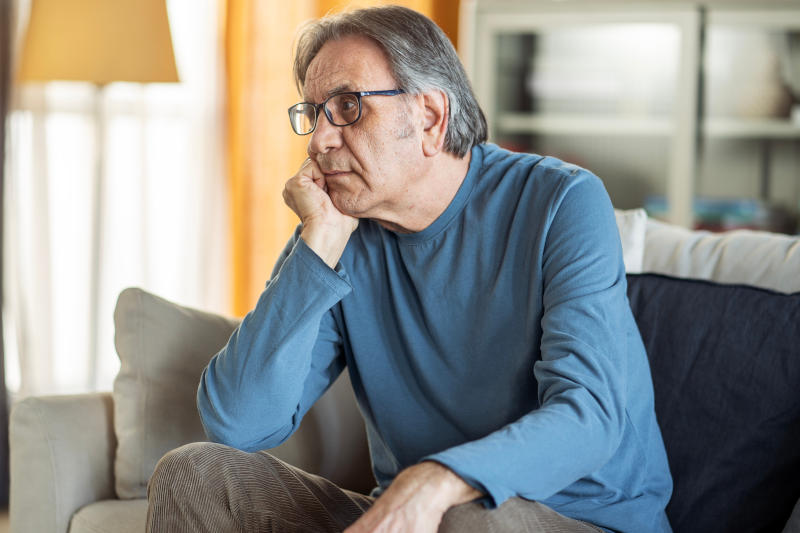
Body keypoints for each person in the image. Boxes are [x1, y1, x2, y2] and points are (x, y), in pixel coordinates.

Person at [146, 5, 673, 533]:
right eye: (314, 113)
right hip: (418, 520)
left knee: (467, 518)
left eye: (348, 106)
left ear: (430, 118)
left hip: (578, 520)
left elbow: (590, 416)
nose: (318, 141)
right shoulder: (339, 228)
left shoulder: (561, 201)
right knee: (194, 474)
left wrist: (437, 481)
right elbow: (238, 424)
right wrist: (317, 244)